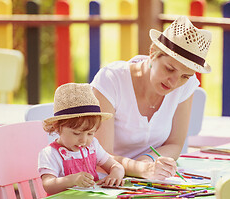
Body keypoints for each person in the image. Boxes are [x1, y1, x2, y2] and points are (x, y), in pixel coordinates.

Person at [91, 16, 212, 180]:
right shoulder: (111, 79)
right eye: (169, 69)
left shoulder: (185, 86)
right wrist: (141, 169)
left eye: (185, 76)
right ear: (153, 52)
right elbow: (100, 157)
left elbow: (175, 144)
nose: (174, 82)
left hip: (150, 180)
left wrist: (147, 162)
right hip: (107, 182)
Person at [38, 83, 125, 195]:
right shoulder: (50, 153)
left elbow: (116, 166)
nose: (84, 141)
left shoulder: (92, 146)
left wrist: (115, 175)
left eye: (90, 133)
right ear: (57, 127)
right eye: (76, 133)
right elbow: (48, 185)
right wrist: (71, 180)